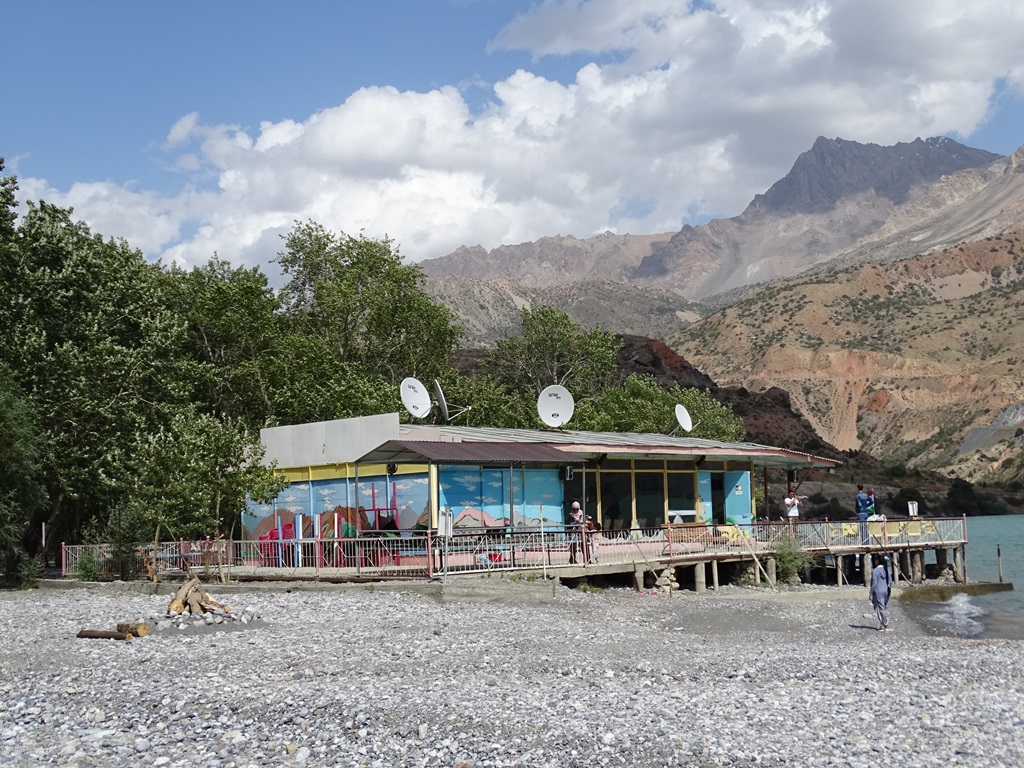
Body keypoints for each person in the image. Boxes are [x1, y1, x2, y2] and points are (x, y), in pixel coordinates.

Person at [869, 554, 892, 631]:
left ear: (877, 561)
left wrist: (871, 593)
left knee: (880, 608)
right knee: (883, 607)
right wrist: (889, 589)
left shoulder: (875, 571)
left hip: (878, 591)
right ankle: (882, 624)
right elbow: (890, 581)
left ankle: (885, 625)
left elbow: (874, 583)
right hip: (885, 590)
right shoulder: (886, 569)